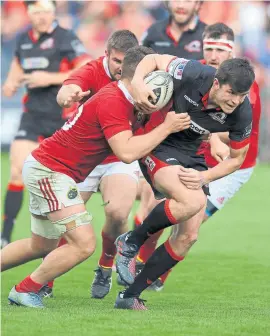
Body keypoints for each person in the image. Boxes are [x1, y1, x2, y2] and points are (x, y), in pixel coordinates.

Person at [1, 45, 191, 309]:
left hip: (50, 168)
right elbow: (125, 152)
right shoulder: (114, 100)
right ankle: (25, 290)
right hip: (51, 171)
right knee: (83, 244)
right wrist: (167, 127)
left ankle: (29, 288)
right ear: (137, 78)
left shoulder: (129, 99)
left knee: (41, 244)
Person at [114, 53, 255, 310]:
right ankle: (131, 241)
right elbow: (154, 59)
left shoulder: (242, 113)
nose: (236, 100)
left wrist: (205, 176)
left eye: (242, 95)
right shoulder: (194, 73)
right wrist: (137, 83)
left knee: (189, 235)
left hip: (192, 155)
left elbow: (236, 160)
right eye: (231, 92)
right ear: (216, 84)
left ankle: (129, 295)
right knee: (193, 200)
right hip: (158, 142)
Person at [40, 29, 140, 299]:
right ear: (106, 54)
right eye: (117, 61)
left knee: (119, 213)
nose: (121, 68)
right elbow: (69, 86)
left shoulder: (141, 76)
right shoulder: (92, 71)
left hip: (118, 157)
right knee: (65, 222)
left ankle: (106, 266)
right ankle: (45, 280)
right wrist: (67, 95)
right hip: (83, 160)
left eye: (126, 62)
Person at [1, 0, 89, 248]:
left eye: (45, 12)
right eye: (36, 12)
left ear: (54, 12)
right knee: (16, 169)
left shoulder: (65, 37)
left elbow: (83, 67)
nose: (41, 17)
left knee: (63, 178)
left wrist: (49, 78)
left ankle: (63, 233)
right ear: (28, 13)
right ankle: (5, 234)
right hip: (31, 115)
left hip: (60, 117)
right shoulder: (23, 38)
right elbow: (18, 64)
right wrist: (10, 82)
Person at [133, 0, 206, 253]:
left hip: (190, 134)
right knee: (149, 200)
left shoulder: (207, 37)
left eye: (188, 0)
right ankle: (130, 259)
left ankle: (141, 262)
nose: (182, 5)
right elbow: (138, 67)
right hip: (154, 125)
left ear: (199, 4)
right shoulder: (153, 33)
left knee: (185, 215)